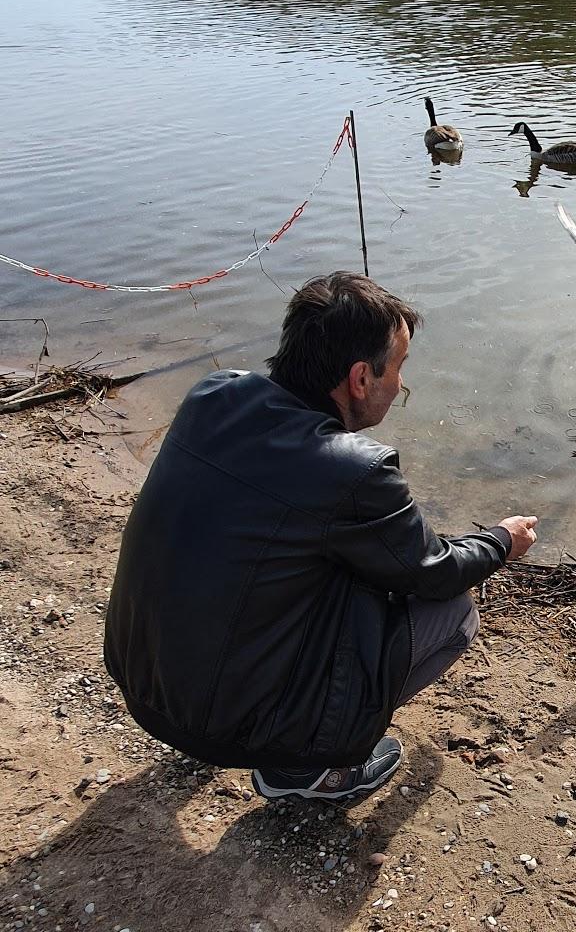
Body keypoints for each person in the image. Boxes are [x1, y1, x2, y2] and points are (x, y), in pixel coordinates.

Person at [104, 271, 537, 803]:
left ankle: (238, 709)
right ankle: (299, 769)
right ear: (360, 379)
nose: (402, 384)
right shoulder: (356, 471)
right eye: (399, 368)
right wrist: (499, 541)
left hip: (142, 681)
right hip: (213, 725)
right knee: (454, 614)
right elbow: (435, 571)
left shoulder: (212, 394)